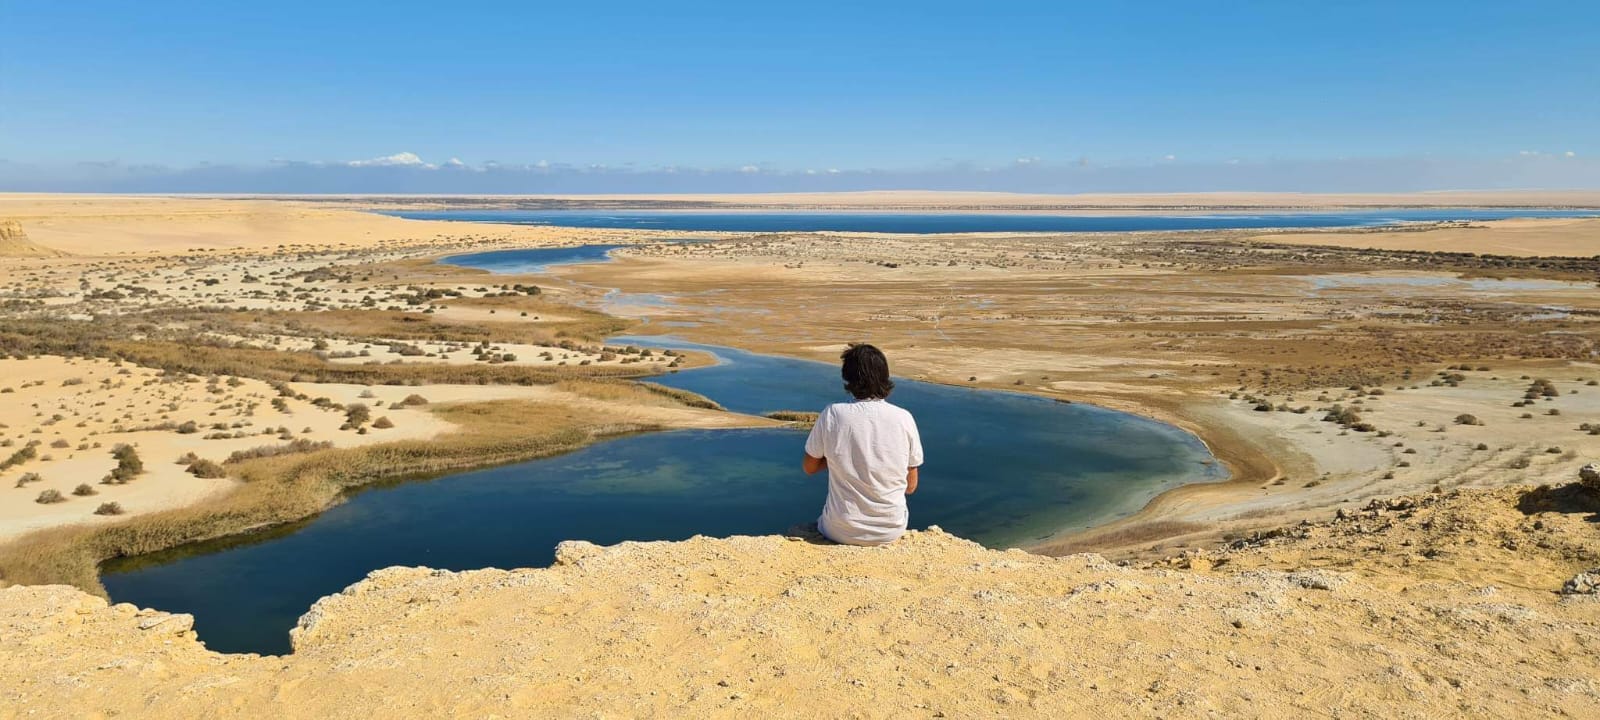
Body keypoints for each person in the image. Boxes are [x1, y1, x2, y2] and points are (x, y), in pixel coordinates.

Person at [802, 343, 924, 546]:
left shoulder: (833, 413)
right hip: (891, 530)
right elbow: (910, 486)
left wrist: (835, 459)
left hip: (839, 530)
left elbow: (809, 467)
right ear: (885, 375)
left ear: (847, 377)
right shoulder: (904, 418)